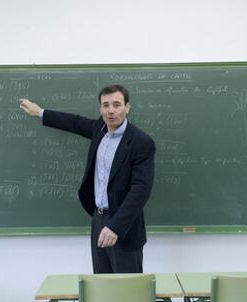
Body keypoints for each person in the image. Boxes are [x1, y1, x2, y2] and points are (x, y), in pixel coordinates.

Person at [20, 85, 156, 273]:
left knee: (127, 289)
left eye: (116, 104)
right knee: (101, 285)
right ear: (100, 109)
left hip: (124, 226)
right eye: (105, 105)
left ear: (127, 107)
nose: (110, 110)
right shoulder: (98, 129)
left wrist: (116, 226)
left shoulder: (141, 142)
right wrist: (40, 112)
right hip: (98, 219)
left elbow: (141, 190)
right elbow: (73, 122)